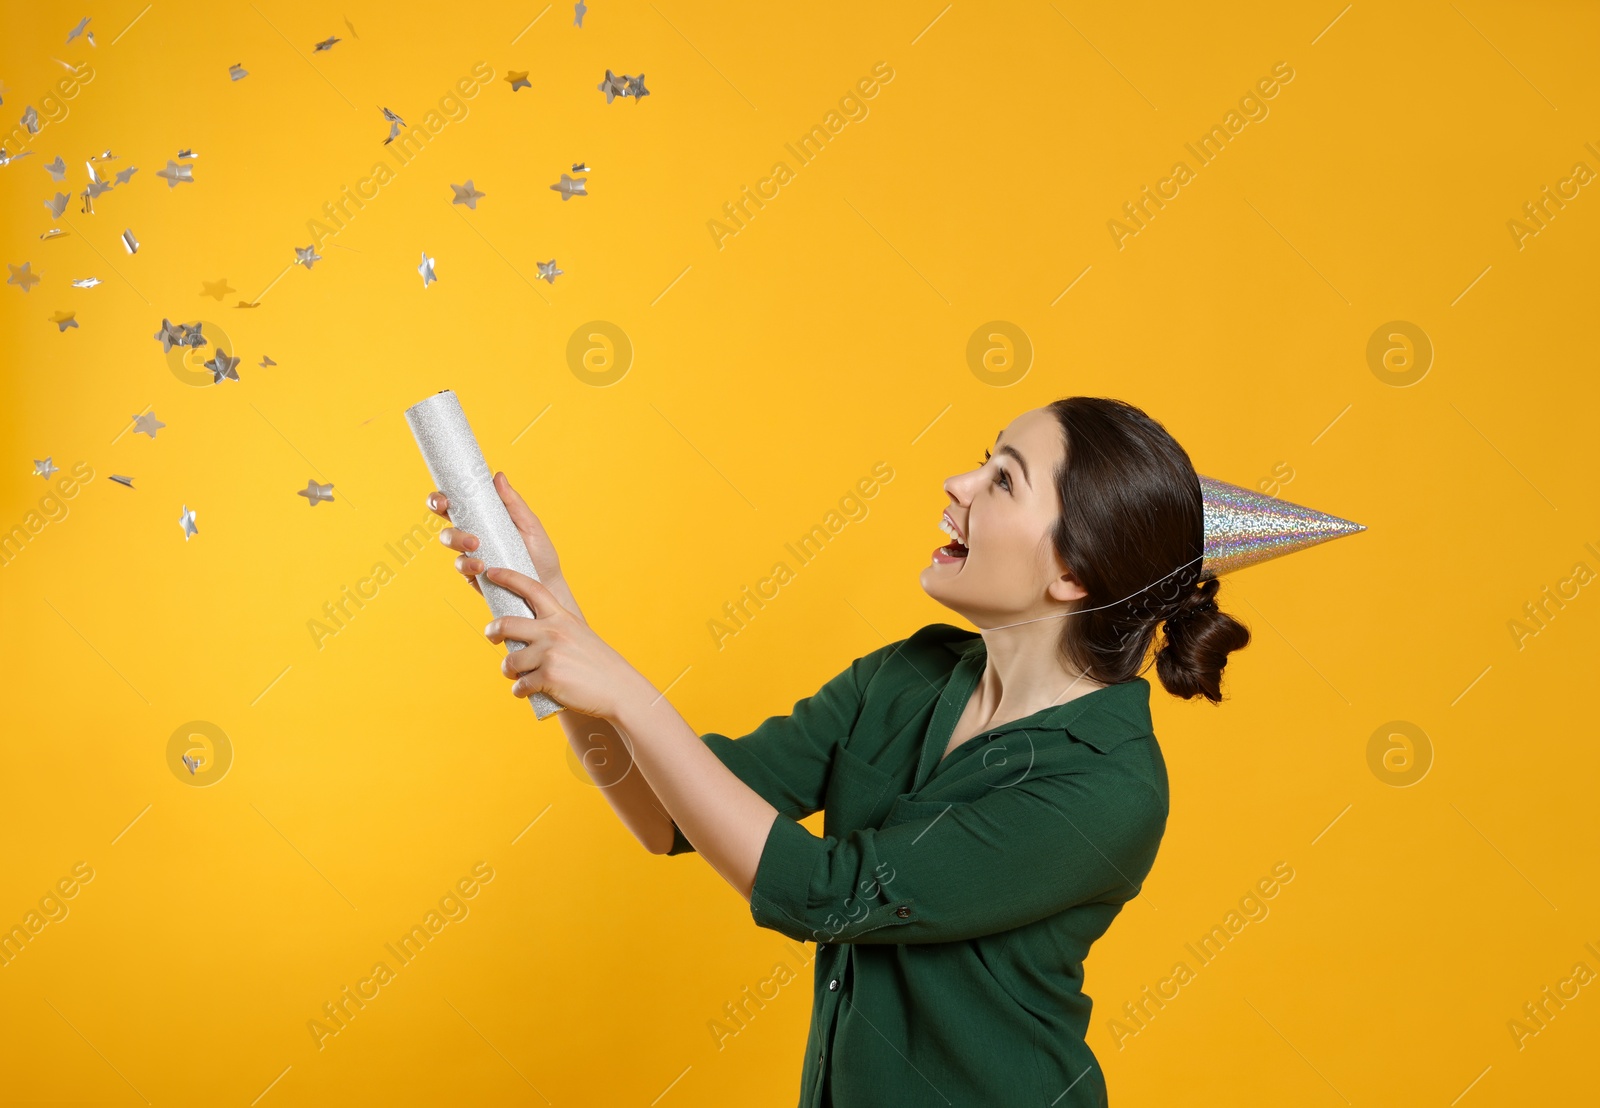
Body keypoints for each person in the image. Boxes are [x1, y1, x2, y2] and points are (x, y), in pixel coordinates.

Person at [427, 396, 1252, 1107]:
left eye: (1003, 479)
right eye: (982, 462)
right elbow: (666, 815)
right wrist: (552, 612)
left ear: (1073, 570)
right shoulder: (908, 673)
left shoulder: (1106, 787)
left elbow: (830, 895)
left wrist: (623, 691)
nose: (957, 486)